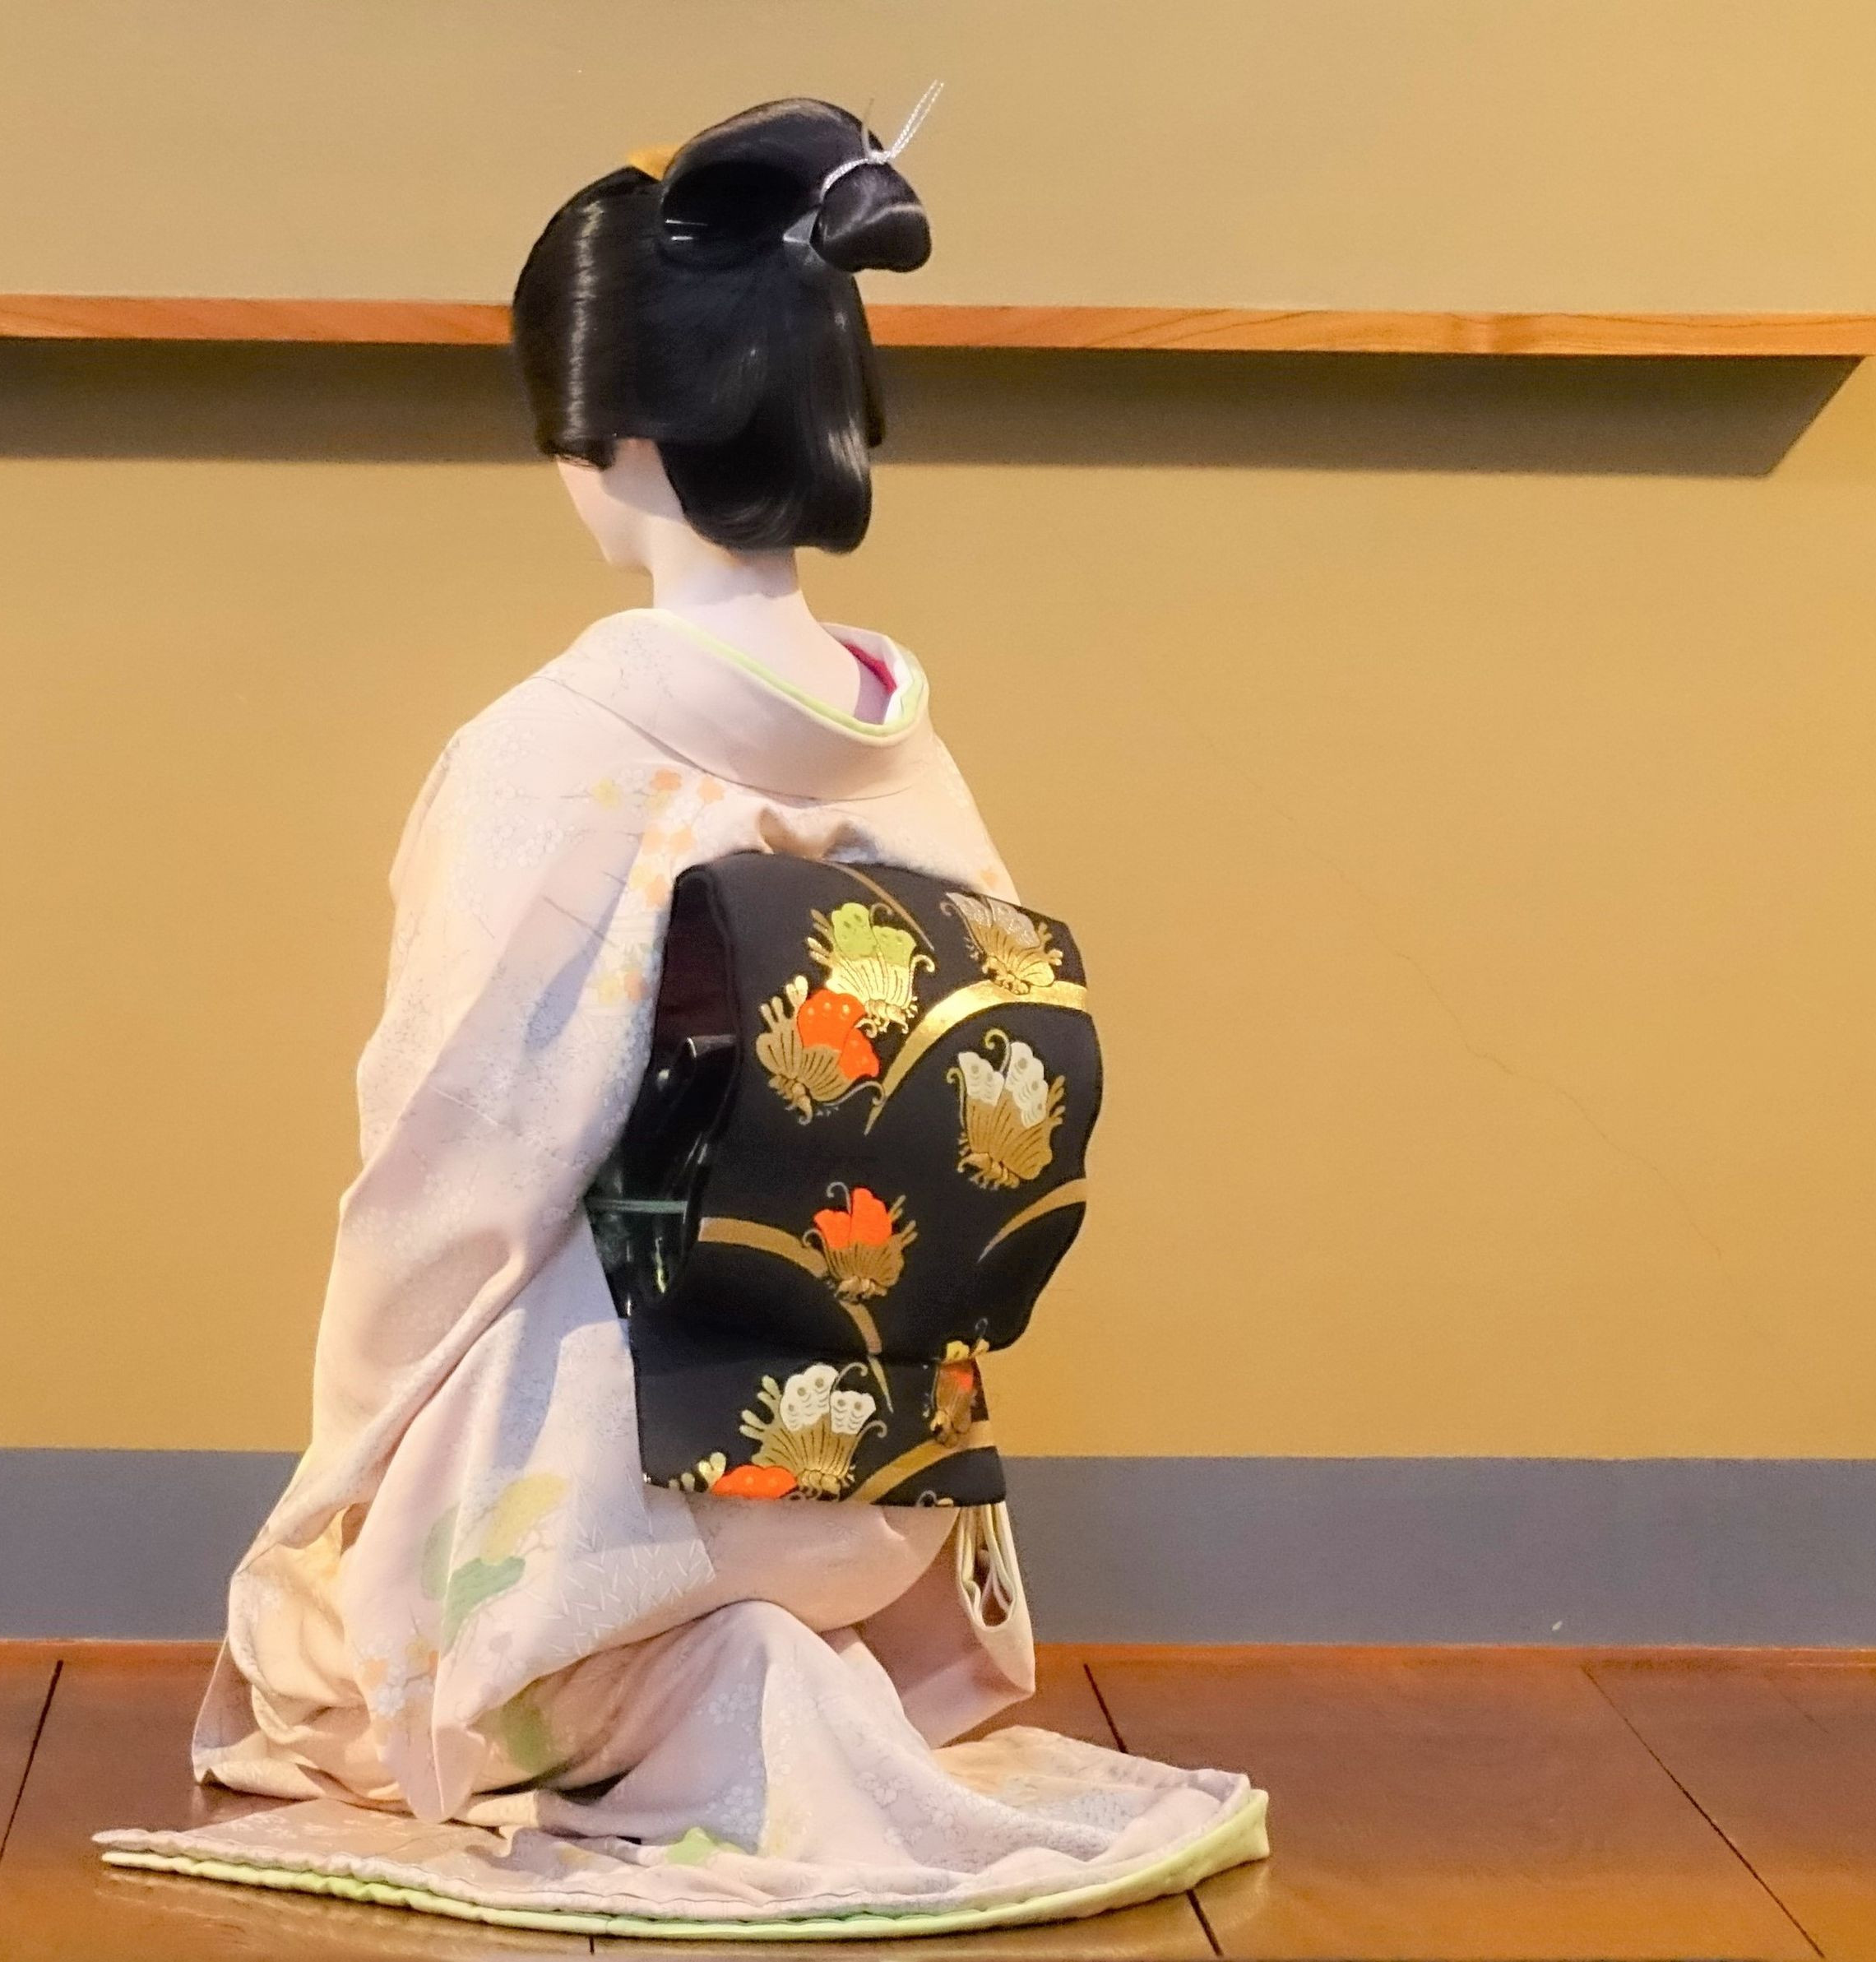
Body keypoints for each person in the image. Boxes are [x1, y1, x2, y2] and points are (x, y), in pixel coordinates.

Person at [100, 93, 1266, 1936]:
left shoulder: (555, 750)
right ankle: (795, 1668)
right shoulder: (906, 745)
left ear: (617, 436)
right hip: (875, 1478)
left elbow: (454, 1150)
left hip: (614, 1496)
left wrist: (350, 1450)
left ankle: (696, 1694)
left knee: (317, 1651)